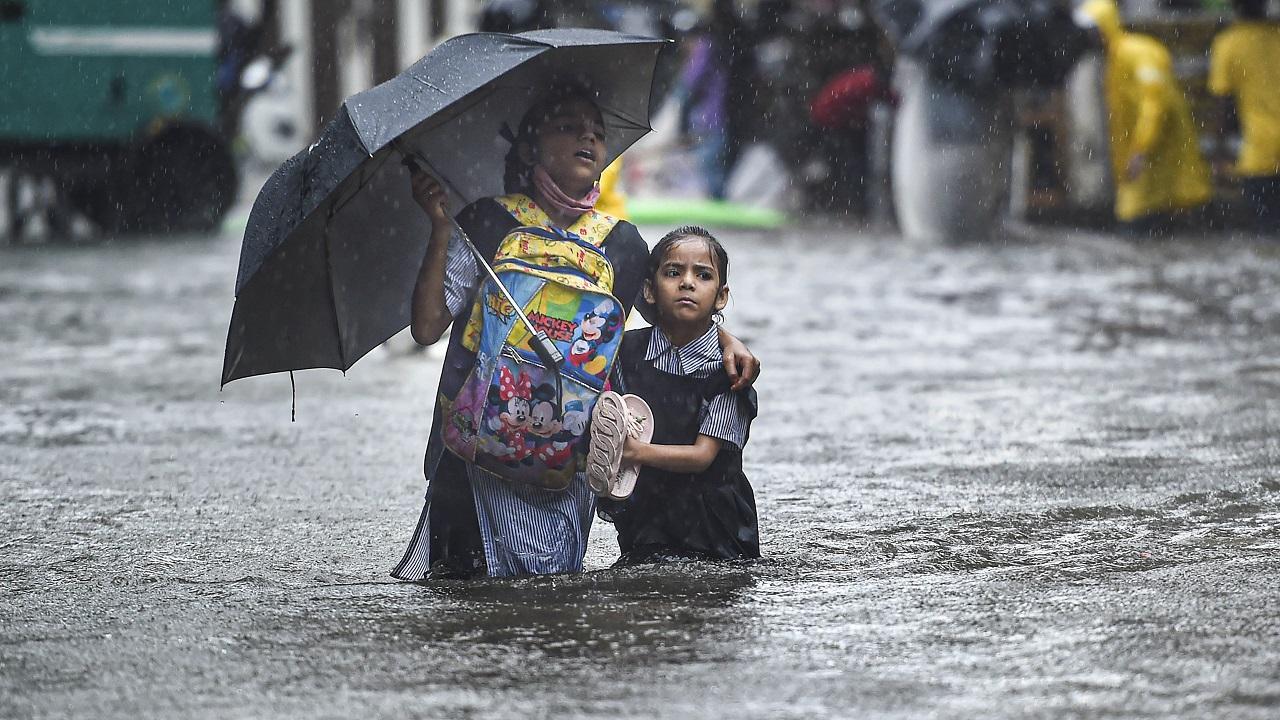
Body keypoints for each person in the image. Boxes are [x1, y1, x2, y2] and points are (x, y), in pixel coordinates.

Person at [393, 86, 760, 580]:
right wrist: (441, 230)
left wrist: (727, 341)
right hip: (472, 461)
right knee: (466, 607)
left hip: (566, 468)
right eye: (568, 126)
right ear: (529, 147)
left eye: (597, 131)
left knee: (551, 602)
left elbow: (674, 317)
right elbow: (426, 327)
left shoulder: (623, 245)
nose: (587, 135)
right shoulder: (486, 222)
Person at [593, 226, 760, 564]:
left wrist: (634, 452)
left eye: (703, 275)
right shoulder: (625, 352)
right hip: (647, 515)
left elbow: (702, 456)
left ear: (721, 296)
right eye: (673, 272)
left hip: (714, 525)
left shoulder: (728, 372)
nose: (687, 282)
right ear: (649, 291)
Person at [1075, 0, 1212, 236]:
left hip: (1157, 159)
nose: (1090, 37)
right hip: (1143, 165)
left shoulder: (1136, 52)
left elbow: (1155, 104)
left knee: (1138, 223)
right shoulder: (1114, 59)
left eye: (1092, 30)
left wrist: (1140, 150)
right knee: (1149, 226)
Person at [1209, 0, 1280, 234]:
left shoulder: (1228, 44)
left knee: (1266, 234)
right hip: (1262, 155)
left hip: (1260, 155)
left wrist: (1218, 153)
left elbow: (1222, 103)